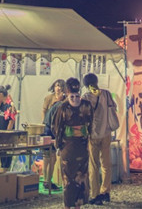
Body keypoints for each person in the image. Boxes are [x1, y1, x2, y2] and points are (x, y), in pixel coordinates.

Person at [53, 77, 93, 209]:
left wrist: (58, 145)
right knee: (78, 177)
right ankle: (76, 205)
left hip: (69, 146)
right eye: (73, 96)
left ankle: (70, 206)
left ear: (66, 90)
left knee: (70, 179)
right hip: (80, 146)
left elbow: (57, 128)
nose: (75, 99)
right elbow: (91, 125)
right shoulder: (86, 105)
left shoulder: (63, 107)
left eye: (76, 96)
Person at [82, 72, 118, 205]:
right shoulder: (106, 94)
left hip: (93, 135)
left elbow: (83, 115)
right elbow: (114, 108)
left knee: (93, 165)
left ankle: (95, 195)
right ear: (96, 82)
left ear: (86, 85)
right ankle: (106, 192)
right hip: (106, 133)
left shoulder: (86, 97)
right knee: (106, 164)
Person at [42, 79, 66, 190]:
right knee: (47, 156)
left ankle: (48, 180)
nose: (58, 88)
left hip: (56, 129)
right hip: (48, 128)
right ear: (53, 87)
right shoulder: (49, 98)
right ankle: (46, 180)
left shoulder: (65, 100)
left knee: (53, 156)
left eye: (60, 86)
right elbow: (44, 111)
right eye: (56, 85)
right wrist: (43, 124)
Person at [0, 84, 16, 169]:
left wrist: (6, 135)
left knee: (5, 160)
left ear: (1, 95)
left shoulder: (9, 106)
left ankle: (5, 172)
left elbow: (11, 121)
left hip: (6, 137)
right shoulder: (1, 105)